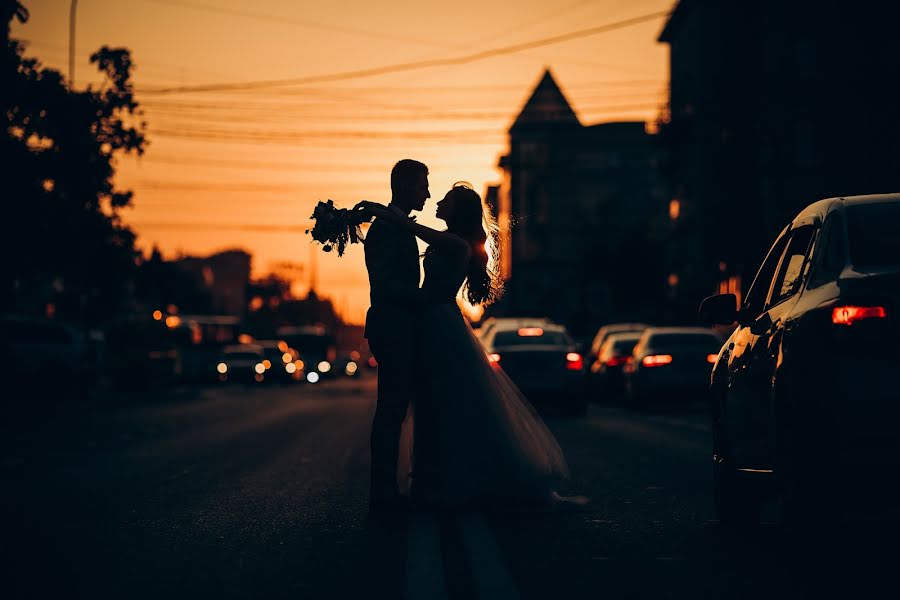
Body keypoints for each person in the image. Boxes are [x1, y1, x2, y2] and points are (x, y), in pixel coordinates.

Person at [358, 183, 571, 509]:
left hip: (440, 324)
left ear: (459, 211)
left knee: (443, 401)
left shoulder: (457, 243)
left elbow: (411, 232)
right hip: (430, 322)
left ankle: (440, 481)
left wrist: (382, 212)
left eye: (447, 199)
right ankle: (431, 480)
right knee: (432, 403)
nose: (436, 200)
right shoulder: (451, 241)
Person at [362, 159, 430, 512]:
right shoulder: (388, 229)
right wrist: (426, 298)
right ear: (404, 188)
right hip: (392, 326)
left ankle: (387, 488)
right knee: (391, 409)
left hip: (400, 326)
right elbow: (387, 286)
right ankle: (382, 492)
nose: (428, 194)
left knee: (395, 408)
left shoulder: (395, 226)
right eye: (422, 186)